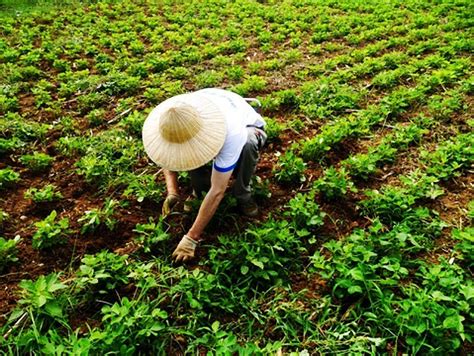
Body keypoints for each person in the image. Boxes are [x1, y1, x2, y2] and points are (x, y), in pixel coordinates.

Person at [142, 88, 267, 262]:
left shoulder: (232, 132)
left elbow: (218, 190)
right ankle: (199, 190)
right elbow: (167, 155)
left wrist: (191, 238)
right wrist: (172, 192)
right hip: (209, 111)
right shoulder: (173, 115)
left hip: (247, 126)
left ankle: (243, 193)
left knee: (248, 143)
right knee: (191, 152)